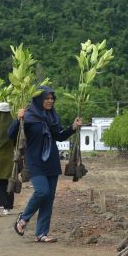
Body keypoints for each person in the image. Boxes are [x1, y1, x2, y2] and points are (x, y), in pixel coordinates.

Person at [9, 86, 82, 243]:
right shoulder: (28, 116)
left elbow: (60, 136)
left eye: (52, 98)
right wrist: (17, 119)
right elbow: (11, 135)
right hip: (34, 160)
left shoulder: (52, 117)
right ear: (39, 99)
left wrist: (73, 128)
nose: (50, 101)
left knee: (49, 198)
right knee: (42, 192)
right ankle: (23, 219)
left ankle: (41, 233)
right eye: (46, 98)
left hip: (52, 161)